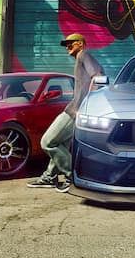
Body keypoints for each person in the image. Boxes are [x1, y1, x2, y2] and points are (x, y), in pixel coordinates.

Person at [29, 33, 103, 192]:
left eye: (71, 43)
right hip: (75, 108)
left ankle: (73, 176)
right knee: (60, 143)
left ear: (81, 44)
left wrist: (85, 105)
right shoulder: (80, 59)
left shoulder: (84, 55)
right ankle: (50, 176)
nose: (67, 46)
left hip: (75, 110)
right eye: (66, 44)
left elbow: (98, 77)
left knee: (48, 142)